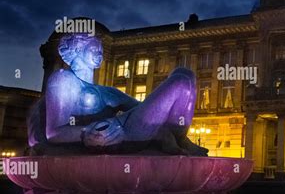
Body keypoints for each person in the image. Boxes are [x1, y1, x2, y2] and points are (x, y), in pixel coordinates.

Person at [27, 33, 207, 156]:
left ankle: (179, 138)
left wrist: (160, 129)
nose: (100, 52)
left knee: (185, 75)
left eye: (101, 49)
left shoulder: (108, 91)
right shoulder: (64, 80)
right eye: (93, 48)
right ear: (76, 50)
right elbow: (53, 133)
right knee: (180, 81)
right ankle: (177, 139)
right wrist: (86, 133)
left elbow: (143, 109)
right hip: (113, 135)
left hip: (128, 128)